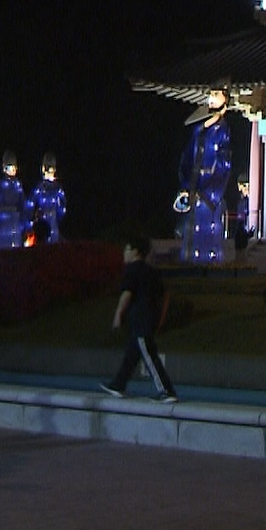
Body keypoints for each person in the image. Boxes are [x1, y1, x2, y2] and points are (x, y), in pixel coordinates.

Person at [100, 236, 177, 402]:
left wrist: (118, 314)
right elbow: (165, 295)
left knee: (148, 354)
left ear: (135, 251)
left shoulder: (132, 270)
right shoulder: (150, 271)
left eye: (127, 249)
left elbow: (127, 293)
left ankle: (166, 390)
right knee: (132, 353)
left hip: (140, 319)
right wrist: (161, 318)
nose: (124, 253)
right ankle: (118, 384)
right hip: (149, 318)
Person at [179, 86, 232, 263]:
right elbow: (187, 156)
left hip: (209, 190)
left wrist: (210, 191)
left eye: (216, 94)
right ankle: (189, 261)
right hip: (194, 185)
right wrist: (186, 185)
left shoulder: (222, 131)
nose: (212, 98)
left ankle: (208, 262)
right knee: (191, 228)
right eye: (211, 94)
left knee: (208, 229)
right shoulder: (199, 130)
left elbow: (224, 163)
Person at [0, 151, 28, 251]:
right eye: (8, 168)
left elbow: (23, 205)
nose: (11, 171)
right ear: (4, 168)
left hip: (14, 221)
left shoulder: (18, 185)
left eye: (13, 168)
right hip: (3, 221)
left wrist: (25, 225)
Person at [29, 152, 67, 245]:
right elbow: (31, 204)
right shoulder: (40, 188)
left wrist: (58, 216)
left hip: (53, 222)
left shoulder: (58, 188)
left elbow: (63, 205)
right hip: (43, 222)